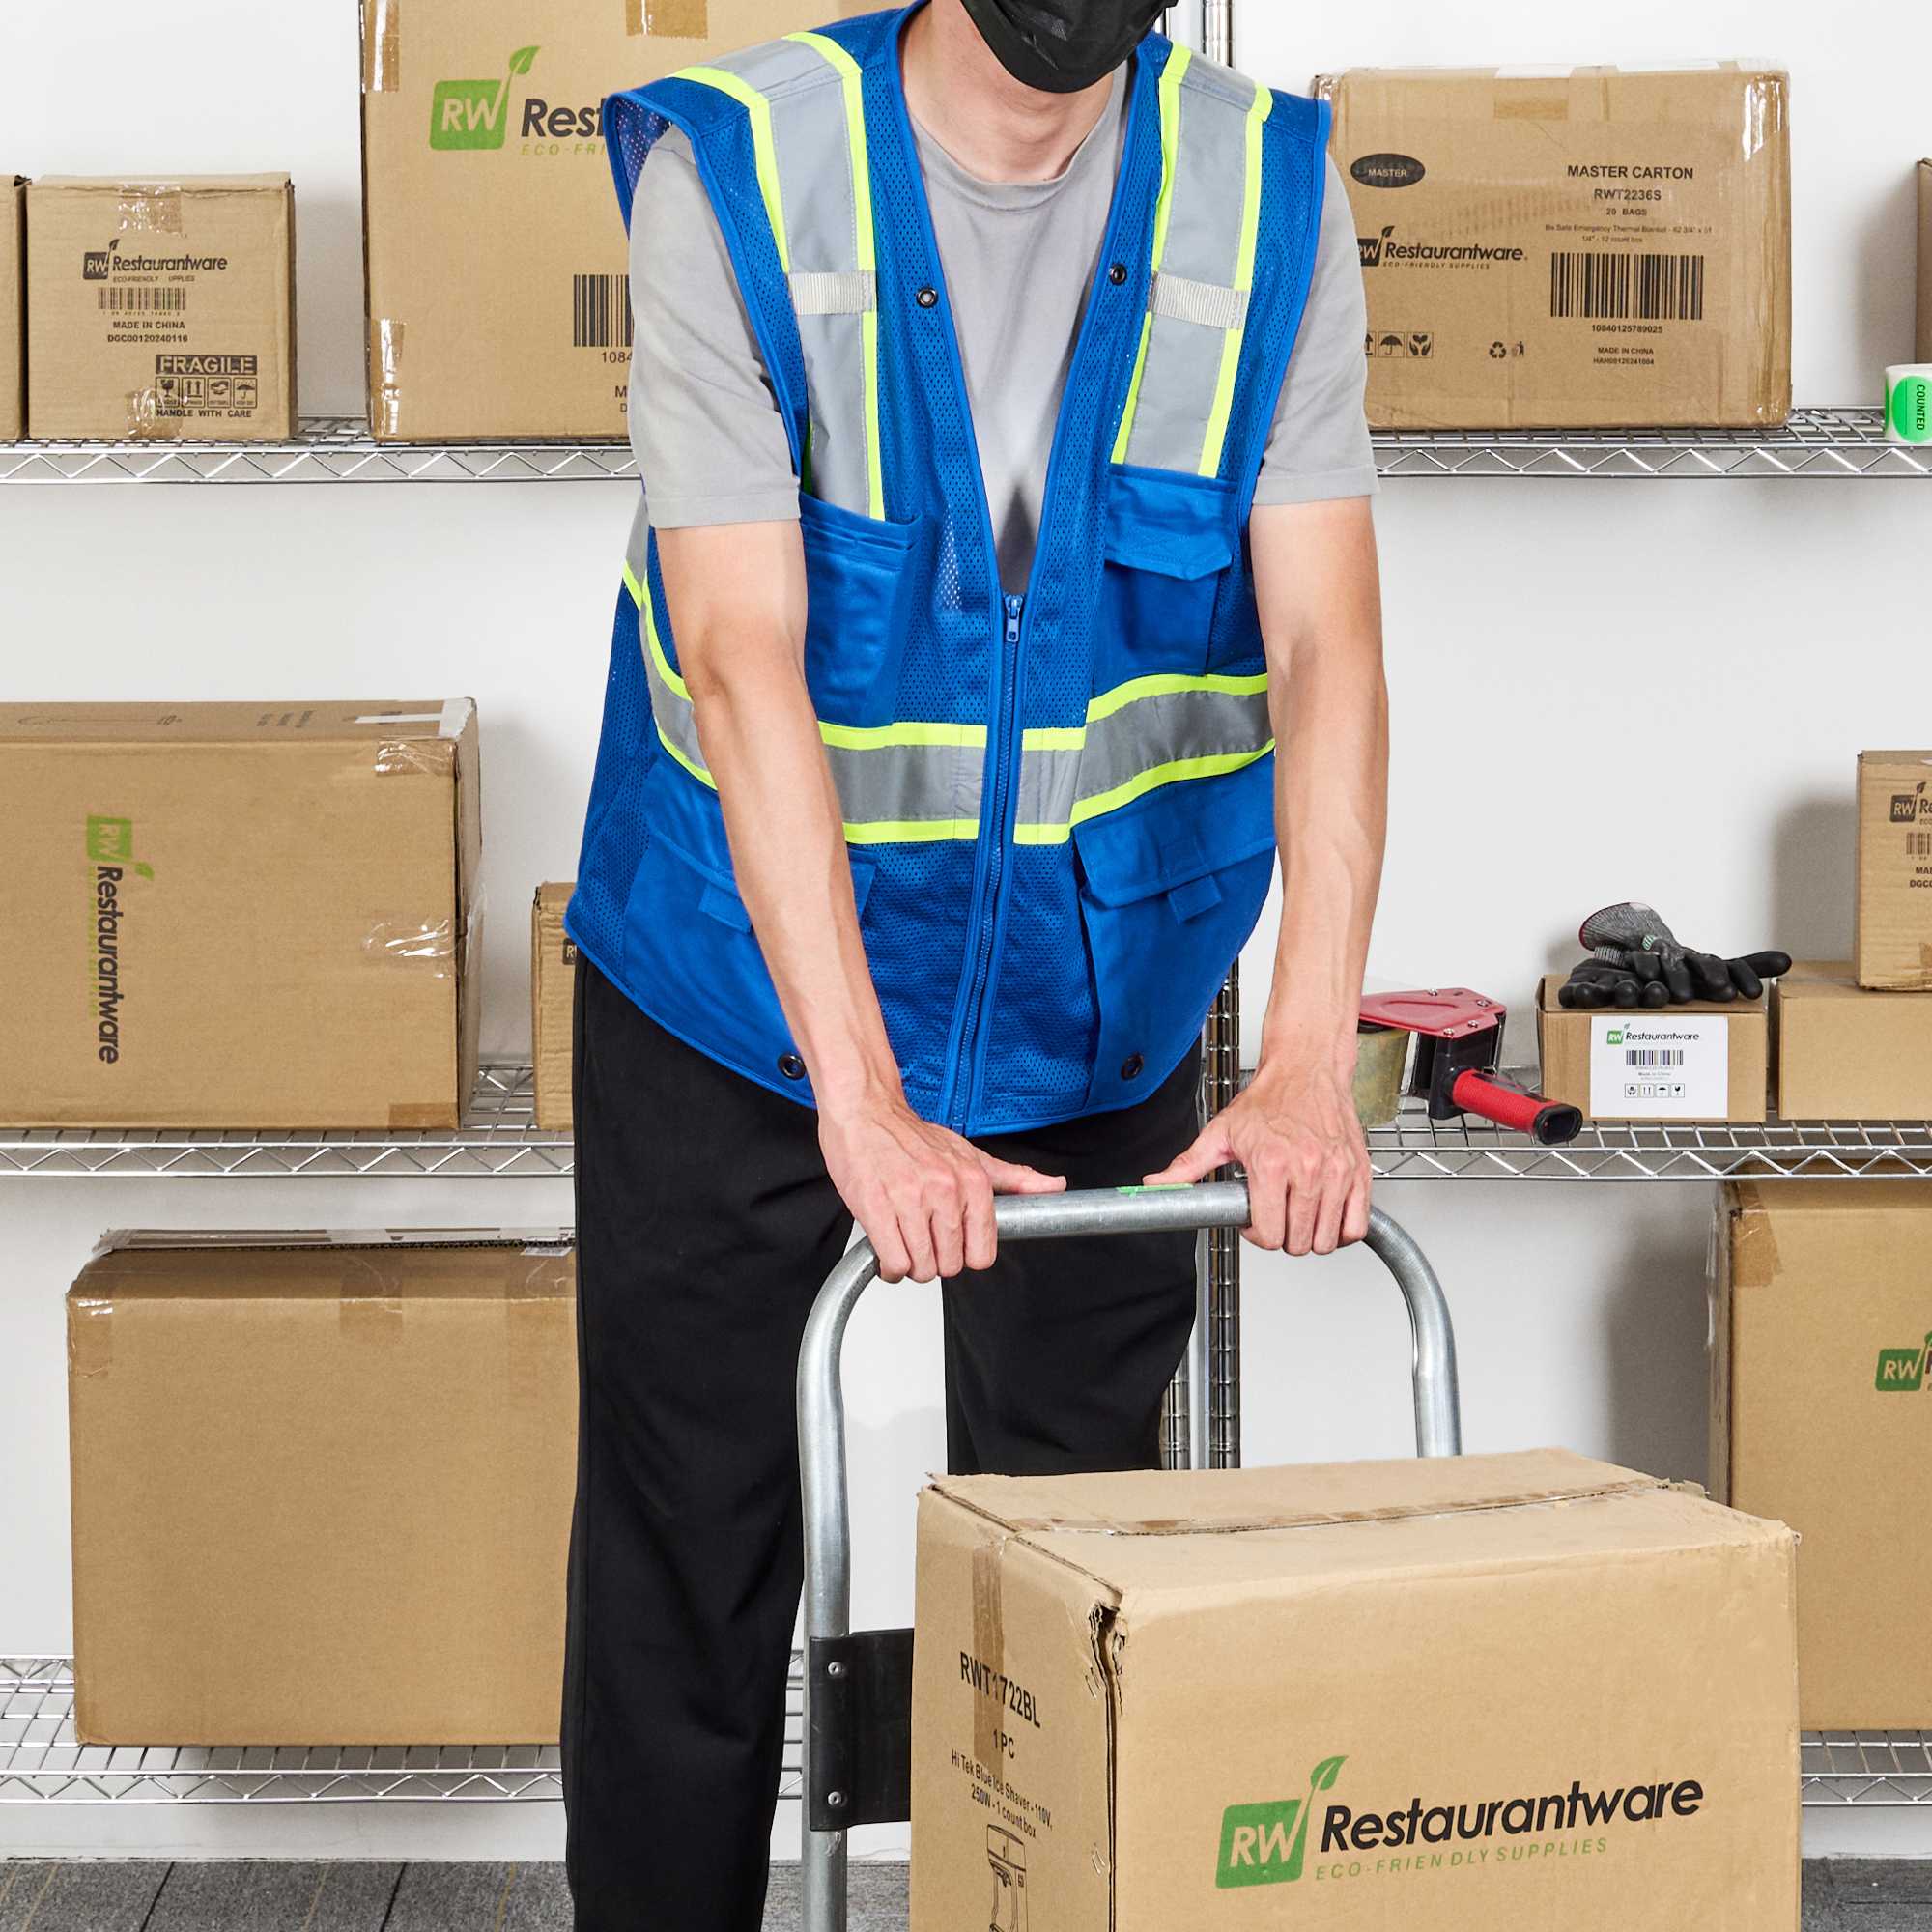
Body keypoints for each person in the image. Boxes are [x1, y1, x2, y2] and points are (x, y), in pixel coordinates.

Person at [561, 1, 1387, 1923]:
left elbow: (1326, 644)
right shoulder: (743, 173)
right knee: (692, 1562)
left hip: (1095, 1004)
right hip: (738, 1004)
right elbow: (741, 656)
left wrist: (1304, 1053)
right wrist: (860, 1099)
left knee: (1078, 1575)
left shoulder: (1265, 190)